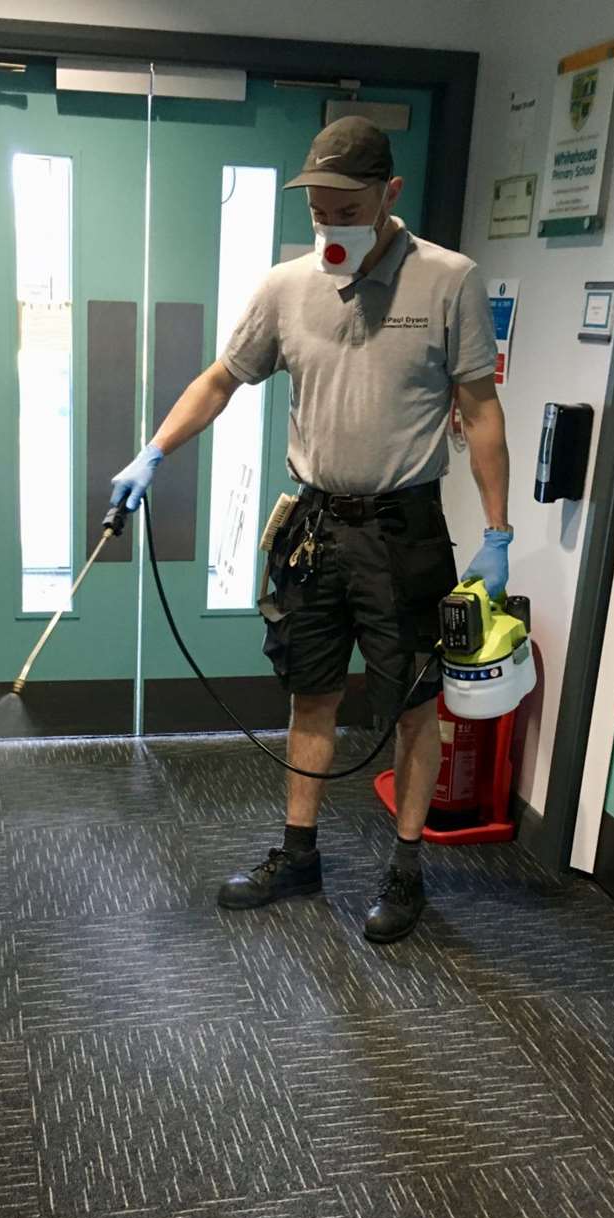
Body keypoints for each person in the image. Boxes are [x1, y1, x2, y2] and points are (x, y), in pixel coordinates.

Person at [111, 116, 511, 943]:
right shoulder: (285, 286)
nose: (331, 225)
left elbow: (479, 410)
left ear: (389, 193)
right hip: (314, 527)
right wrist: (152, 452)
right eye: (318, 211)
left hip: (405, 530)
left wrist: (498, 533)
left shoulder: (449, 281)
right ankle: (298, 854)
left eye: (347, 209)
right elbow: (221, 379)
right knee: (311, 693)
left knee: (412, 707)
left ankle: (405, 869)